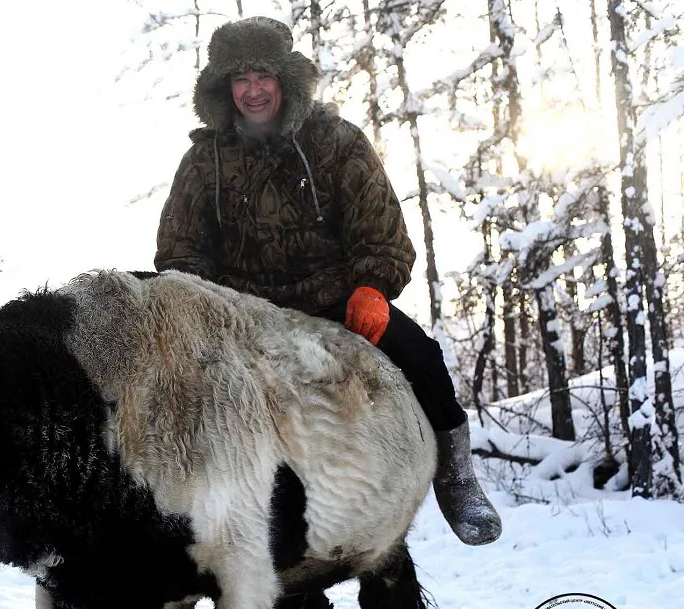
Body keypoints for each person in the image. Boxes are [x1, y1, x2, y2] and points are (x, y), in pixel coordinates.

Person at [154, 16, 502, 546]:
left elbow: (380, 228)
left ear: (286, 81)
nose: (252, 90)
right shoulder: (203, 161)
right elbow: (180, 253)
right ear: (224, 87)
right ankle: (170, 506)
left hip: (334, 299)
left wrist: (371, 286)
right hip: (239, 314)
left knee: (423, 358)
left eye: (263, 76)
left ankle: (457, 480)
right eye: (240, 78)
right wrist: (196, 311)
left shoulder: (337, 141)